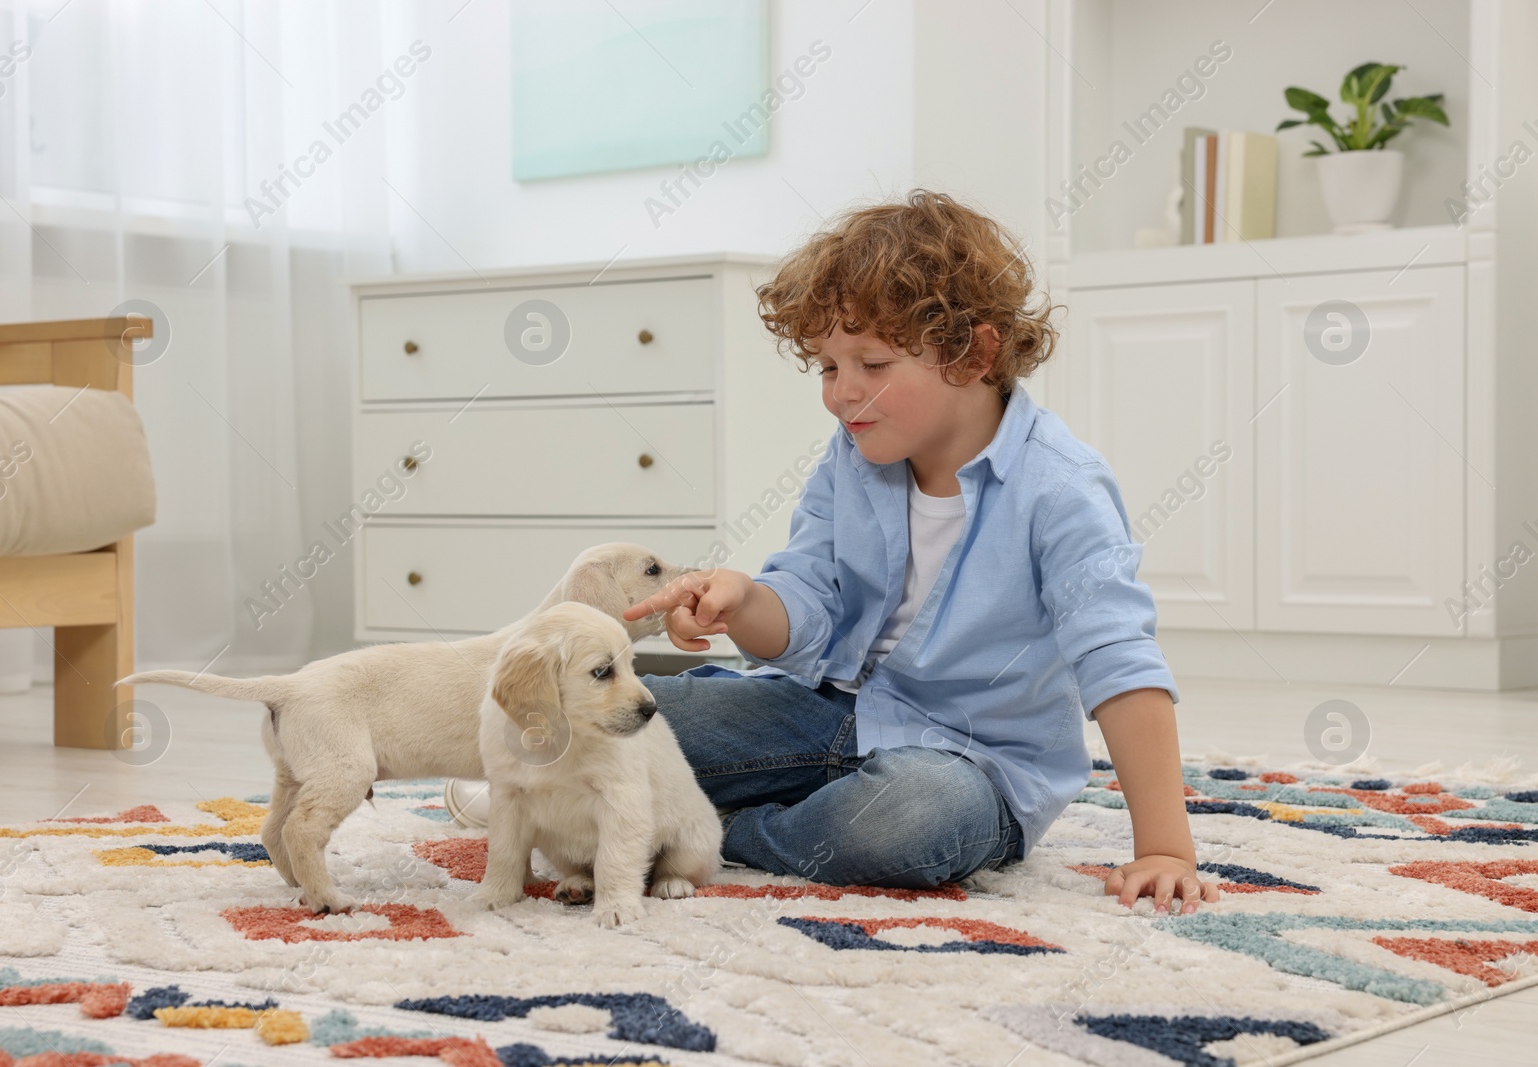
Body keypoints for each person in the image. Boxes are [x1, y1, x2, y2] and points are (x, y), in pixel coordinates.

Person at [451, 189, 1220, 914]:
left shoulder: (1061, 488)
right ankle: (616, 801)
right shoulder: (852, 456)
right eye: (828, 366)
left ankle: (707, 829)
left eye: (873, 366)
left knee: (910, 818)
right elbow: (808, 602)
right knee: (649, 711)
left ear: (975, 354)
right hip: (830, 712)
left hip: (973, 767)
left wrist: (1164, 845)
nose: (840, 392)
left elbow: (1119, 662)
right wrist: (743, 599)